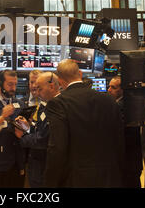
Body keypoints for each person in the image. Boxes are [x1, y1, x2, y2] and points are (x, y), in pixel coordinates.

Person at [44, 59, 125, 187]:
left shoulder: (58, 103)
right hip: (109, 176)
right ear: (80, 74)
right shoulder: (108, 100)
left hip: (76, 179)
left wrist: (50, 182)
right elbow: (119, 139)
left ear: (59, 80)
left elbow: (57, 147)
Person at [15, 72, 60, 188]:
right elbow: (40, 130)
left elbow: (42, 140)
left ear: (51, 86)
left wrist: (22, 136)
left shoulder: (57, 107)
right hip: (37, 164)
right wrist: (28, 127)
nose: (37, 92)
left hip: (45, 165)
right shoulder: (46, 105)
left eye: (40, 88)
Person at [108, 76, 143, 188]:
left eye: (113, 87)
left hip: (127, 159)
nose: (109, 90)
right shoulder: (130, 103)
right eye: (109, 86)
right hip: (133, 160)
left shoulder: (120, 107)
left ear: (122, 89)